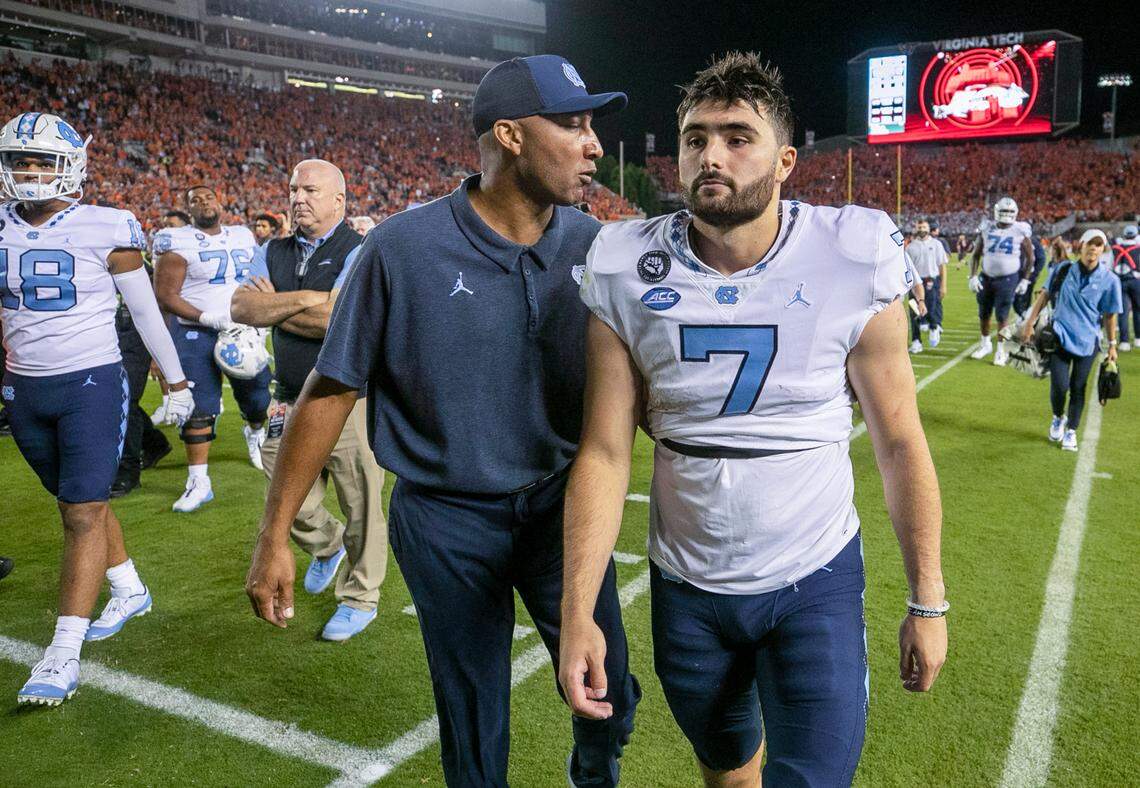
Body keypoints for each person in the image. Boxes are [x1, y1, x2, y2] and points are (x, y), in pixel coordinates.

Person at [245, 55, 640, 786]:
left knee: (611, 697)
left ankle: (594, 773)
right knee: (472, 721)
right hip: (445, 518)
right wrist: (274, 535)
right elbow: (329, 393)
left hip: (561, 508)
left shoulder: (596, 245)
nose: (592, 144)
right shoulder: (400, 248)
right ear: (510, 135)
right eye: (573, 124)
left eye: (592, 126)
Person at [558, 52, 947, 787]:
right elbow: (605, 452)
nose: (712, 154)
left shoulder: (851, 253)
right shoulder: (622, 263)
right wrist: (579, 610)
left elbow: (899, 442)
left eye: (738, 136)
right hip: (688, 589)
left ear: (786, 160)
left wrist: (927, 597)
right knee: (729, 772)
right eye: (695, 137)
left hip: (814, 580)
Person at [0, 112, 193, 706]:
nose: (31, 172)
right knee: (77, 500)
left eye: (44, 160)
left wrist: (178, 381)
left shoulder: (105, 224)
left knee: (81, 513)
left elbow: (144, 312)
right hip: (24, 388)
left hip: (91, 381)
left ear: (73, 166)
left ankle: (62, 653)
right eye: (21, 160)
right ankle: (129, 588)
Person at [231, 160, 387, 641]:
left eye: (311, 190)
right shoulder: (271, 248)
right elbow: (242, 307)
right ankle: (327, 545)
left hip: (347, 394)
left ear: (339, 201)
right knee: (285, 494)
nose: (298, 198)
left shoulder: (361, 249)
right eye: (294, 189)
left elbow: (339, 320)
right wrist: (310, 301)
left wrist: (278, 306)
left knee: (360, 501)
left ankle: (361, 597)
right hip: (287, 396)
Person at [153, 184, 270, 512]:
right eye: (195, 200)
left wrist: (259, 316)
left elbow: (257, 276)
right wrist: (207, 317)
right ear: (188, 209)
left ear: (221, 202)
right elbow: (165, 295)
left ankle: (255, 431)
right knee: (197, 408)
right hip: (196, 333)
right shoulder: (176, 240)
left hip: (242, 329)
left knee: (258, 398)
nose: (204, 202)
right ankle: (198, 481)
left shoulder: (243, 236)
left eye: (209, 197)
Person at [1021, 229, 1121, 451]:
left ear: (1103, 249)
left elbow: (1110, 314)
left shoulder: (1110, 280)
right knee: (1059, 385)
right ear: (1081, 246)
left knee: (1078, 386)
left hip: (1088, 342)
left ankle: (1072, 431)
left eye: (1098, 245)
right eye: (1090, 244)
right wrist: (1029, 323)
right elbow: (1045, 295)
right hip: (1059, 336)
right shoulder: (1063, 269)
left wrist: (1112, 345)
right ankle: (1058, 417)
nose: (1093, 248)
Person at [969, 197, 1033, 365]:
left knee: (1002, 316)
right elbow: (975, 255)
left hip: (1008, 279)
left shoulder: (1020, 230)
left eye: (1009, 212)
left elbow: (1030, 257)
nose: (1006, 215)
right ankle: (985, 345)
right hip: (987, 277)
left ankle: (1001, 350)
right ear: (997, 212)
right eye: (1003, 211)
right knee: (983, 313)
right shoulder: (987, 228)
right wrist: (973, 275)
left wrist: (1025, 280)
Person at [906, 218, 949, 352]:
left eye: (924, 227)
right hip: (915, 283)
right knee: (914, 312)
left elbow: (942, 266)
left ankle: (934, 327)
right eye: (919, 227)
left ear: (929, 229)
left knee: (931, 307)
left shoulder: (936, 244)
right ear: (916, 229)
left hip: (932, 280)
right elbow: (906, 269)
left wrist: (943, 285)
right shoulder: (910, 247)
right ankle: (916, 341)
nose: (922, 230)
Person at [1110, 224, 1139, 351]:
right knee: (1138, 310)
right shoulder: (1138, 248)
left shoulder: (1116, 248)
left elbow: (1111, 266)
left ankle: (1124, 342)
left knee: (1123, 312)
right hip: (1136, 280)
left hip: (1119, 281)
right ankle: (1138, 339)